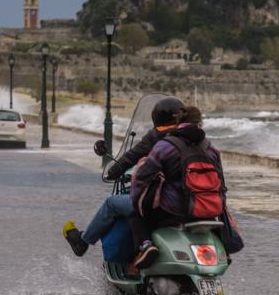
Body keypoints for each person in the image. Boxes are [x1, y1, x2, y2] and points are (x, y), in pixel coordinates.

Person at [62, 96, 187, 258]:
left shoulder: (157, 138)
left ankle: (83, 242)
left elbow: (131, 157)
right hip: (195, 204)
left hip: (164, 203)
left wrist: (112, 172)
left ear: (157, 118)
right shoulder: (195, 138)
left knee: (113, 204)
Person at [126, 105, 224, 271]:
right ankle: (224, 252)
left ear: (177, 122)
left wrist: (136, 200)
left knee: (135, 214)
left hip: (175, 210)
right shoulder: (212, 149)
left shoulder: (167, 146)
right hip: (209, 209)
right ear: (200, 123)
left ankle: (146, 246)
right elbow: (221, 184)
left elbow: (142, 177)